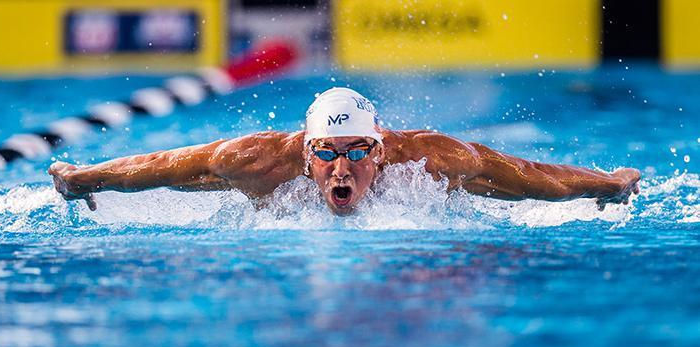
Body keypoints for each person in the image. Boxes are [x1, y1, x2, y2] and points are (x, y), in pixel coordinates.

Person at [48, 87, 640, 215]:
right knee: (208, 178)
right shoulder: (262, 160)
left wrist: (604, 184)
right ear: (307, 153)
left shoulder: (429, 159)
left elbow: (528, 175)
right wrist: (85, 178)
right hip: (263, 178)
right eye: (327, 153)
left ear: (381, 153)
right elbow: (161, 165)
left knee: (481, 181)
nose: (341, 166)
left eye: (358, 151)